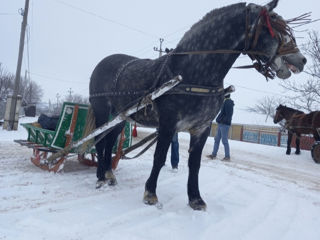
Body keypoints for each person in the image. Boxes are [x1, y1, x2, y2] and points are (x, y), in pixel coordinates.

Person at [207, 94, 234, 161]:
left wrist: (222, 120)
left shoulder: (228, 102)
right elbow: (222, 113)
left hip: (224, 124)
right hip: (221, 124)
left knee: (224, 140)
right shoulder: (225, 102)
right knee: (216, 139)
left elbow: (228, 115)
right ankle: (213, 154)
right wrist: (219, 120)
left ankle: (227, 157)